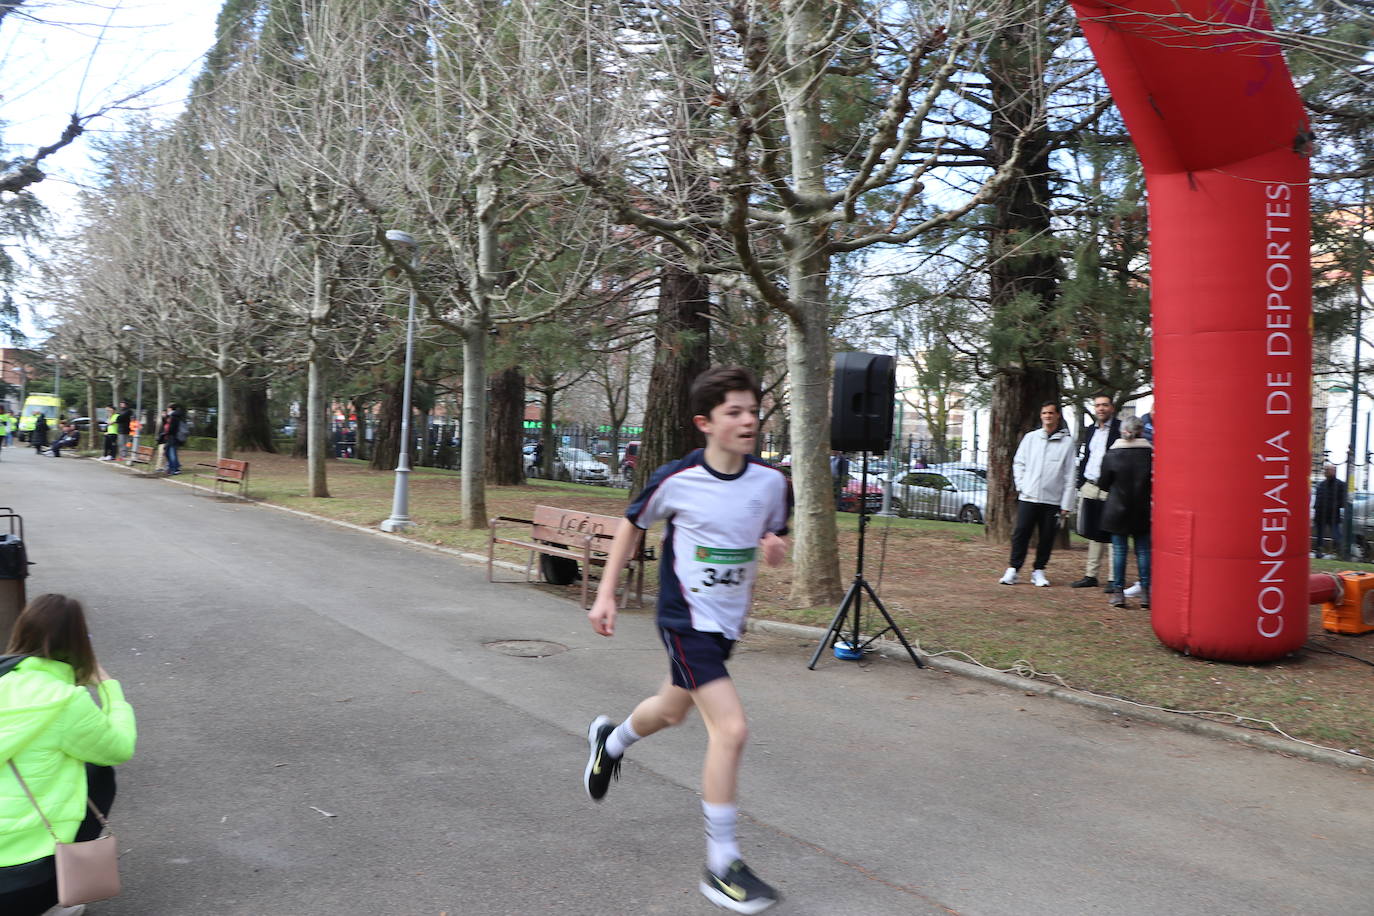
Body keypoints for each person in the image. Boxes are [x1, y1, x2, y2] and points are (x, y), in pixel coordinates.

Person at [584, 366, 791, 914]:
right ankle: (722, 864)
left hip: (726, 626)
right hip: (684, 620)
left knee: (671, 711)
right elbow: (633, 523)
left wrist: (774, 547)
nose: (749, 420)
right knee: (732, 728)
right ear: (706, 423)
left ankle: (611, 741)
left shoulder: (772, 484)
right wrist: (606, 594)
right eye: (735, 412)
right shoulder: (678, 480)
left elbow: (774, 529)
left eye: (753, 410)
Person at [0, 594, 137, 915]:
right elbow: (119, 747)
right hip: (19, 884)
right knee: (99, 769)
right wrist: (108, 686)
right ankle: (55, 896)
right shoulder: (65, 701)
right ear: (78, 645)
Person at [1001, 401, 1077, 587]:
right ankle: (1013, 569)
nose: (1048, 416)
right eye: (1044, 413)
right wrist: (1022, 485)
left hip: (1052, 499)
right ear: (1041, 416)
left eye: (1051, 413)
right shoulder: (1031, 438)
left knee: (1047, 536)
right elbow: (1019, 463)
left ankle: (1039, 570)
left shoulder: (1067, 443)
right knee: (1021, 533)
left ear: (1058, 415)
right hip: (1029, 496)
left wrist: (1066, 504)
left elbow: (1070, 474)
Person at [1098, 415, 1153, 609]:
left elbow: (1103, 483)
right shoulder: (1150, 454)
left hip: (1117, 509)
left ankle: (1118, 592)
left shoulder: (1112, 454)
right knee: (1144, 551)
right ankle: (1146, 592)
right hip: (1143, 509)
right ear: (1141, 431)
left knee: (1119, 551)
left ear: (1123, 431)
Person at [1070, 394, 1121, 590]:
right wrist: (1081, 481)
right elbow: (1087, 456)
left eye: (1104, 405)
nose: (1101, 409)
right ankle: (1091, 575)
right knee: (1093, 531)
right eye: (1098, 405)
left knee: (1112, 533)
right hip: (1090, 486)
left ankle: (1113, 579)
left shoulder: (1119, 429)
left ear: (1112, 408)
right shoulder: (1091, 430)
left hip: (1111, 488)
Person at [1312, 463, 1346, 559]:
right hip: (1320, 514)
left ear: (1334, 471)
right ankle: (1319, 552)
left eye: (1328, 470)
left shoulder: (1340, 484)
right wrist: (1316, 509)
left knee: (1336, 535)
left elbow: (1343, 500)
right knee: (1319, 535)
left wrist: (1335, 506)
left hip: (1333, 514)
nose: (1326, 471)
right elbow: (1318, 499)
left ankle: (1340, 552)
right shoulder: (1321, 484)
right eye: (1325, 470)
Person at [157, 404, 187, 476]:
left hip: (172, 438)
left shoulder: (174, 417)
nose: (167, 410)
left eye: (167, 409)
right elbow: (166, 425)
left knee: (171, 454)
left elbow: (171, 428)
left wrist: (165, 433)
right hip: (170, 438)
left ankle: (175, 469)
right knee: (168, 453)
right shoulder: (172, 416)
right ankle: (173, 468)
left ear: (170, 409)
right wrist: (164, 418)